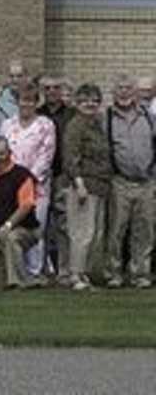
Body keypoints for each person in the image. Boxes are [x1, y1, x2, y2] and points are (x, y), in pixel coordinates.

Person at [0, 80, 56, 277]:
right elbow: (2, 153)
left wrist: (27, 180)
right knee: (15, 228)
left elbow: (46, 156)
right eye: (23, 100)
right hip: (10, 186)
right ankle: (16, 270)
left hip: (37, 188)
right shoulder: (7, 124)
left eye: (31, 101)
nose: (26, 104)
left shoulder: (45, 125)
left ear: (37, 103)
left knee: (34, 231)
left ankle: (35, 271)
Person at [104, 73, 156, 289]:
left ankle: (140, 274)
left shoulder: (148, 116)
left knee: (144, 231)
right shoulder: (106, 117)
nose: (124, 92)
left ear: (135, 93)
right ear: (114, 93)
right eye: (120, 88)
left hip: (147, 181)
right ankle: (114, 273)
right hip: (120, 182)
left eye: (128, 88)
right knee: (117, 230)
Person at [62, 83, 111, 291]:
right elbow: (71, 158)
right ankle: (75, 274)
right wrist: (79, 184)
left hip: (100, 186)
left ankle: (85, 273)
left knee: (95, 233)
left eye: (94, 100)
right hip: (83, 186)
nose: (90, 104)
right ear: (77, 103)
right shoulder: (75, 125)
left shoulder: (97, 124)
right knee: (82, 232)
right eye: (85, 100)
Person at [0, 136, 39, 289]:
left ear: (9, 153)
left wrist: (8, 225)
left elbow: (26, 205)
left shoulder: (22, 176)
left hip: (24, 229)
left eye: (1, 154)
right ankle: (28, 280)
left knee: (10, 237)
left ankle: (17, 282)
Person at [37, 74, 74, 286]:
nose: (51, 92)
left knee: (63, 225)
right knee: (39, 225)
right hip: (41, 176)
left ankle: (64, 270)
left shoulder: (71, 114)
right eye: (47, 88)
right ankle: (40, 270)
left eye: (56, 88)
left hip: (63, 176)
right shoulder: (38, 114)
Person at [0, 60, 26, 128]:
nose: (15, 80)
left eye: (19, 76)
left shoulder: (32, 100)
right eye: (11, 76)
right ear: (6, 78)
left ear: (25, 78)